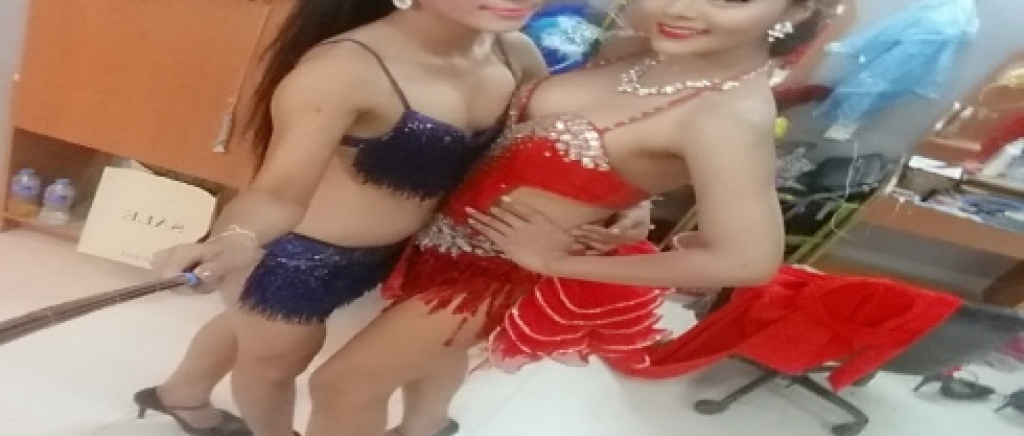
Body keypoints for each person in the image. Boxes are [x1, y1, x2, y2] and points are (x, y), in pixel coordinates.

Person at [299, 0, 824, 435]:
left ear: (798, 8)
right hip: (441, 237)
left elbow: (747, 260)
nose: (680, 8)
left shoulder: (727, 116)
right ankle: (427, 425)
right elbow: (614, 155)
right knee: (433, 357)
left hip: (491, 275)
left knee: (342, 387)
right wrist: (630, 195)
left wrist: (558, 263)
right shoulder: (640, 49)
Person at [134, 1, 651, 436]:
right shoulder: (342, 70)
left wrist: (628, 199)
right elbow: (278, 192)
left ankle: (180, 392)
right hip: (293, 260)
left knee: (251, 332)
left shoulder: (515, 52)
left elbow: (551, 145)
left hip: (417, 247)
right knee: (272, 363)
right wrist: (234, 237)